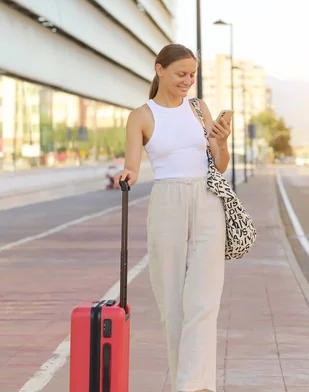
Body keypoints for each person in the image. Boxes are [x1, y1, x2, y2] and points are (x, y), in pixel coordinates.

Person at [114, 43, 232, 392]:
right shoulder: (141, 116)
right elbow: (132, 165)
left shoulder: (199, 108)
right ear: (159, 69)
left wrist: (222, 143)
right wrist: (128, 174)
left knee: (203, 302)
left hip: (207, 200)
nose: (188, 81)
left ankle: (192, 387)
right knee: (174, 307)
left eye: (192, 75)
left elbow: (220, 165)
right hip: (167, 203)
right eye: (181, 74)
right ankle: (191, 385)